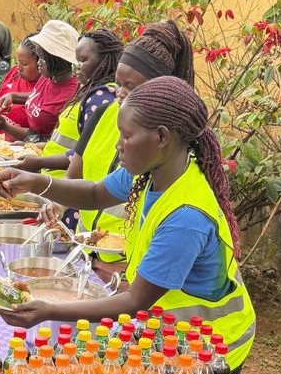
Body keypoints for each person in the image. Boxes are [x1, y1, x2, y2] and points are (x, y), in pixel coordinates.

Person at [0, 76, 256, 374]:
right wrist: (35, 183)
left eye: (126, 136)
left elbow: (134, 301)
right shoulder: (151, 171)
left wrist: (48, 311)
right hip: (169, 334)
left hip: (212, 347)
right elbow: (97, 192)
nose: (118, 146)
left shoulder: (186, 218)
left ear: (161, 137)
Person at [63, 20, 196, 277]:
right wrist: (43, 190)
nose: (120, 93)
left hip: (129, 271)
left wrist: (123, 271)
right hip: (89, 255)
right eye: (118, 83)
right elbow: (91, 189)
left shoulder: (170, 157)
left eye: (131, 86)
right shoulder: (104, 113)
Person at [19, 28, 123, 177]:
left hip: (64, 185)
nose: (77, 66)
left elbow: (84, 153)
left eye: (83, 60)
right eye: (77, 60)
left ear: (103, 60)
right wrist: (32, 148)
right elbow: (64, 141)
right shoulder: (87, 90)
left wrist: (40, 162)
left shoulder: (101, 98)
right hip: (52, 180)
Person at [0, 20, 80, 143]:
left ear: (56, 58)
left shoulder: (71, 96)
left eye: (42, 57)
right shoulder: (48, 77)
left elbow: (48, 140)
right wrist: (13, 96)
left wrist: (6, 126)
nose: (38, 63)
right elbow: (41, 97)